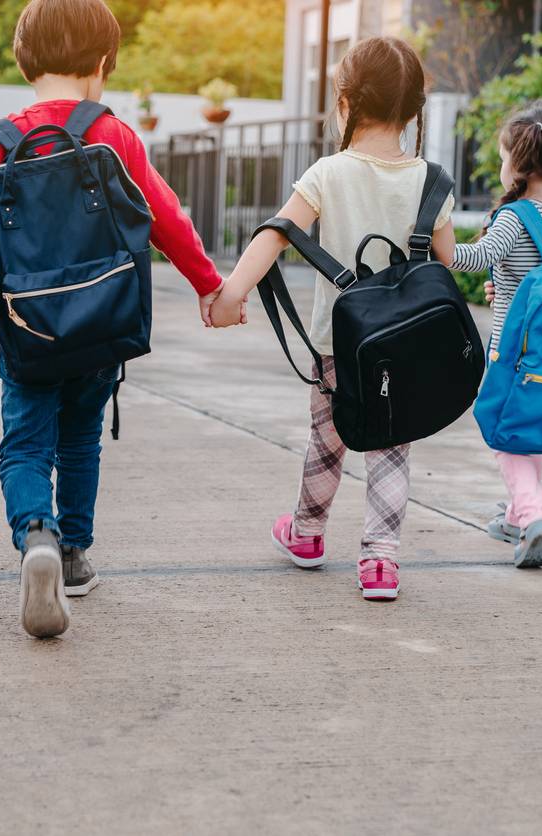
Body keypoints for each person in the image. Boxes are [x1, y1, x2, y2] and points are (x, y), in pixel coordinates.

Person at [0, 0, 224, 637]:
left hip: (27, 329)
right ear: (103, 64)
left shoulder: (2, 139)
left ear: (25, 62)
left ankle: (37, 537)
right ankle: (75, 556)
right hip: (103, 325)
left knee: (25, 444)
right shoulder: (114, 135)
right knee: (81, 437)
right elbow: (167, 219)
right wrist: (211, 286)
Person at [209, 37, 455, 601]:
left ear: (343, 102)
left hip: (337, 345)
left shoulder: (328, 172)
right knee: (392, 444)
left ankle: (308, 534)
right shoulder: (432, 182)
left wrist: (232, 293)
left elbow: (277, 232)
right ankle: (380, 564)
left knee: (327, 441)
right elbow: (446, 263)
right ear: (416, 109)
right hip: (407, 347)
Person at [444, 101, 542, 566]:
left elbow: (469, 259)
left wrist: (437, 228)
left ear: (519, 165)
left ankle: (534, 515)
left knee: (503, 434)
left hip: (511, 351)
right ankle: (513, 516)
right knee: (527, 430)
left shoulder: (513, 217)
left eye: (504, 156)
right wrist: (505, 285)